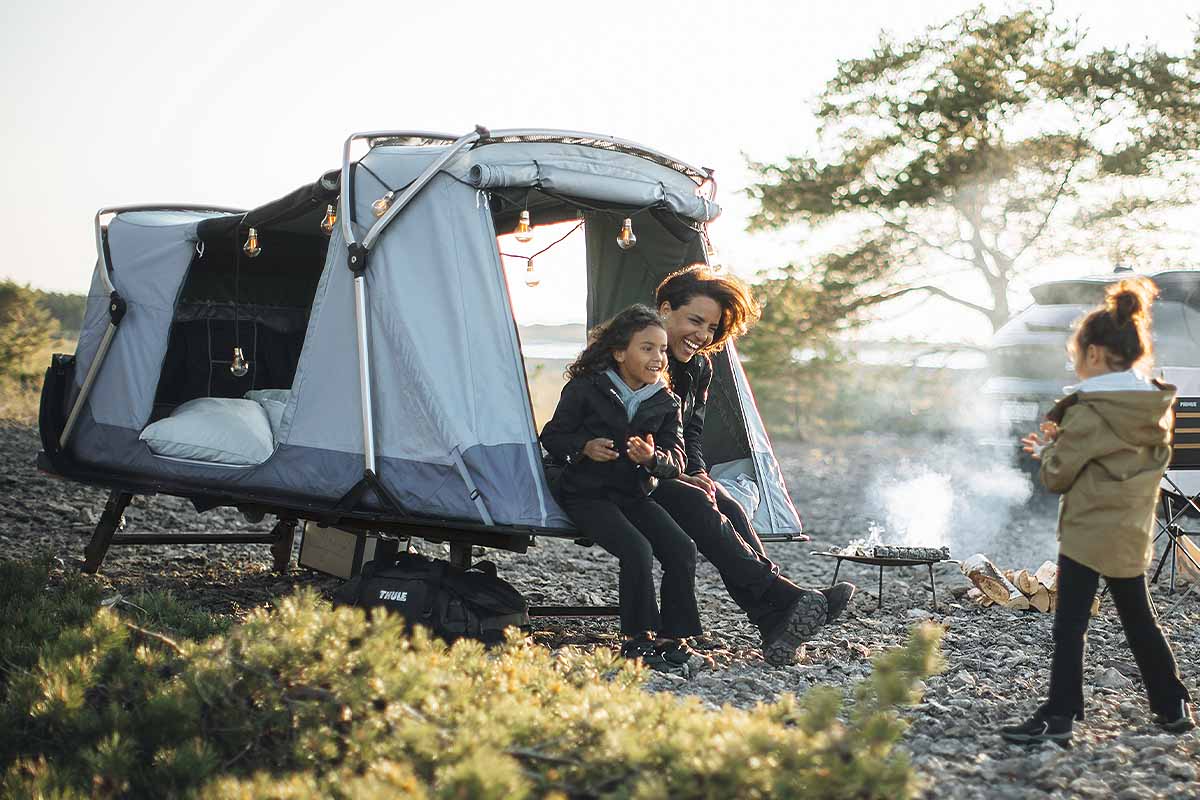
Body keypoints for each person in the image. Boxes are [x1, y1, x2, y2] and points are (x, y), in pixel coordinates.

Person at [1000, 277, 1195, 745]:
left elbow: (1057, 477)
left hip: (1087, 534)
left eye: (1074, 353)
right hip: (1130, 531)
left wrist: (1048, 450)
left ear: (1093, 355)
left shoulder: (1088, 410)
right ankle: (1172, 705)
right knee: (1139, 620)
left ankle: (1061, 714)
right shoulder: (1155, 406)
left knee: (1070, 628)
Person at [651, 265, 854, 666]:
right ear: (664, 310)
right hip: (638, 471)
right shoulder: (642, 355)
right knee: (700, 504)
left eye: (711, 328)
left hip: (672, 469)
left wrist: (699, 472)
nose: (703, 335)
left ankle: (772, 619)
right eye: (695, 320)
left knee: (728, 504)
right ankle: (784, 599)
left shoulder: (699, 366)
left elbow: (691, 430)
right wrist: (681, 475)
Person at [540, 305, 702, 670]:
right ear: (619, 352)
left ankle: (674, 636)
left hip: (633, 494)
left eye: (662, 349)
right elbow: (552, 436)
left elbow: (677, 460)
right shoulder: (585, 388)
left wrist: (651, 459)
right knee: (637, 549)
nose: (658, 357)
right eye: (647, 348)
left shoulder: (665, 401)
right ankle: (638, 637)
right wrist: (584, 446)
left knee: (681, 548)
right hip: (586, 493)